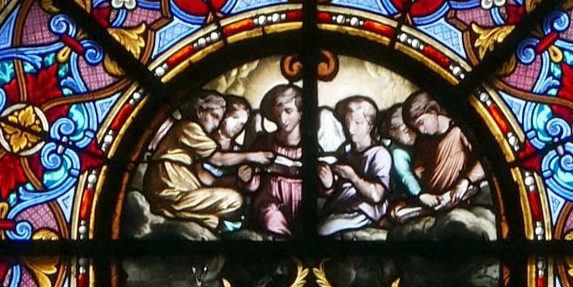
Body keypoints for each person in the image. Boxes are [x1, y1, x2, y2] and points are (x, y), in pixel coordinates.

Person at [143, 91, 263, 234]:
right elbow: (217, 159)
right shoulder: (189, 128)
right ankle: (176, 209)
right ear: (200, 111)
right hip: (168, 182)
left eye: (243, 123)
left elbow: (210, 180)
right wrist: (253, 156)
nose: (217, 124)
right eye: (215, 116)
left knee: (215, 216)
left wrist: (239, 180)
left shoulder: (199, 144)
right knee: (235, 200)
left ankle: (209, 222)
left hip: (180, 182)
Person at [402, 89, 489, 216]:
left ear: (433, 111)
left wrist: (466, 180)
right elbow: (419, 169)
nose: (421, 130)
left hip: (457, 197)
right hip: (433, 202)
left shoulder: (459, 132)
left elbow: (485, 161)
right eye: (416, 127)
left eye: (422, 122)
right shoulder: (423, 141)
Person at [318, 96, 391, 234]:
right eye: (347, 122)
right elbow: (335, 188)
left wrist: (353, 177)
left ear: (370, 125)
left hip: (364, 211)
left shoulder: (379, 154)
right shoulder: (345, 150)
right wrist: (328, 184)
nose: (351, 129)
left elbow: (377, 195)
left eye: (358, 123)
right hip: (342, 208)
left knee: (323, 230)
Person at [242, 83, 304, 235]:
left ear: (301, 113)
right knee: (270, 218)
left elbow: (323, 188)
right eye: (277, 114)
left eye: (288, 111)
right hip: (269, 202)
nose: (282, 119)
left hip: (303, 206)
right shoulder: (264, 143)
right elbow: (252, 185)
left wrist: (327, 184)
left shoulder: (312, 147)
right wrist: (247, 179)